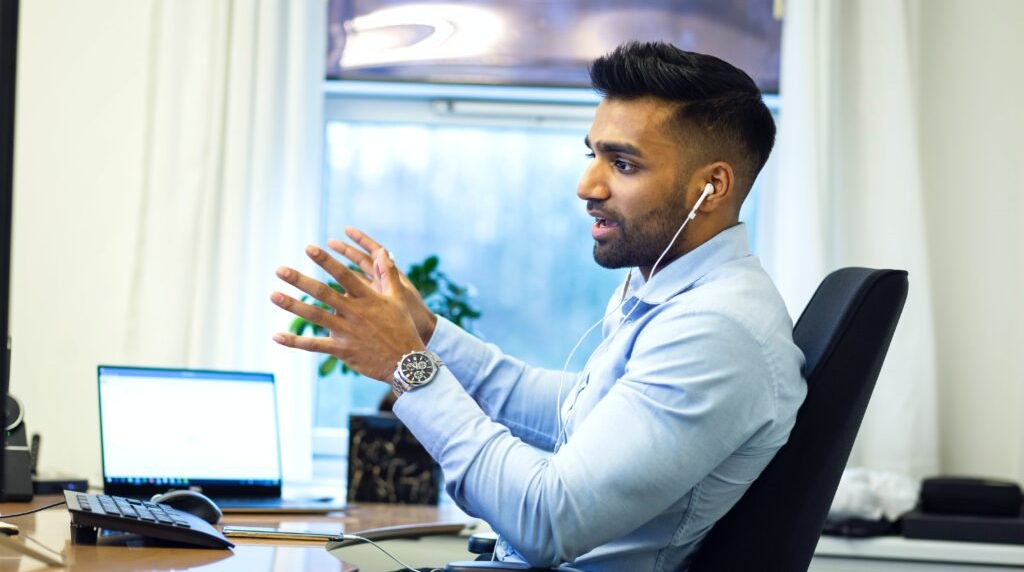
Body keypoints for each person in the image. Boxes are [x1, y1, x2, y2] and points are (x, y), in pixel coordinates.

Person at [269, 41, 807, 571]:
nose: (586, 186)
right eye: (592, 154)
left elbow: (547, 521)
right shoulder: (677, 293)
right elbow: (571, 411)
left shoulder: (716, 331)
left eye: (623, 165)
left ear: (711, 187)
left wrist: (406, 367)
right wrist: (429, 335)